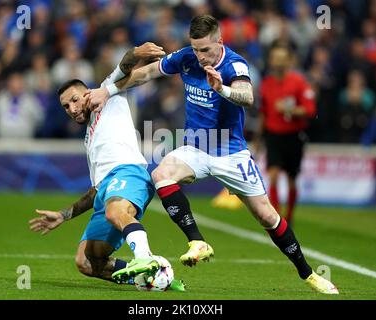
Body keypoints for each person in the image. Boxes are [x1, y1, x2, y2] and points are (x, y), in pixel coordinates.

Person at [86, 15, 338, 294]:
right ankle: (197, 241)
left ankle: (308, 274)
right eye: (195, 49)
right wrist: (106, 91)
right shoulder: (186, 58)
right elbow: (145, 73)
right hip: (196, 146)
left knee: (267, 216)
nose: (200, 56)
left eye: (205, 50)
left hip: (231, 153)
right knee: (160, 174)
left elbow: (247, 96)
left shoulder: (234, 64)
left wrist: (222, 89)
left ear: (220, 41)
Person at [29, 43, 168, 284]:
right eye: (66, 106)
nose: (72, 109)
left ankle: (145, 257)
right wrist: (64, 215)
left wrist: (135, 53)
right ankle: (153, 278)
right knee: (86, 261)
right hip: (107, 189)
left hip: (129, 173)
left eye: (74, 100)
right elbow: (96, 190)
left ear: (87, 93)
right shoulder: (89, 139)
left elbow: (123, 66)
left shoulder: (106, 93)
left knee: (116, 212)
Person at [257, 42, 316, 225]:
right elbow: (263, 113)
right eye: (275, 58)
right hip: (273, 135)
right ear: (271, 61)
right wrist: (258, 139)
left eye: (282, 58)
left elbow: (310, 110)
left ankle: (289, 216)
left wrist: (289, 109)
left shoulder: (299, 82)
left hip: (293, 136)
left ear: (289, 61)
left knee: (291, 180)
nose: (278, 62)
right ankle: (276, 219)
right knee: (273, 175)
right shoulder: (266, 84)